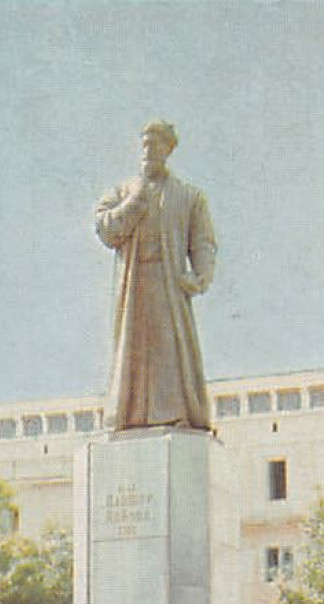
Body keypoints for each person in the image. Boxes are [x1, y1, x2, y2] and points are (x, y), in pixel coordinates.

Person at [95, 120, 216, 431]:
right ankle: (127, 414)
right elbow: (106, 229)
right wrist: (135, 202)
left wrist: (200, 276)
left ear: (168, 148)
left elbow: (203, 241)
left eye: (156, 143)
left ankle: (173, 413)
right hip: (134, 284)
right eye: (145, 142)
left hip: (168, 284)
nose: (149, 149)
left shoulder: (189, 196)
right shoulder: (124, 191)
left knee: (169, 354)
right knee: (131, 352)